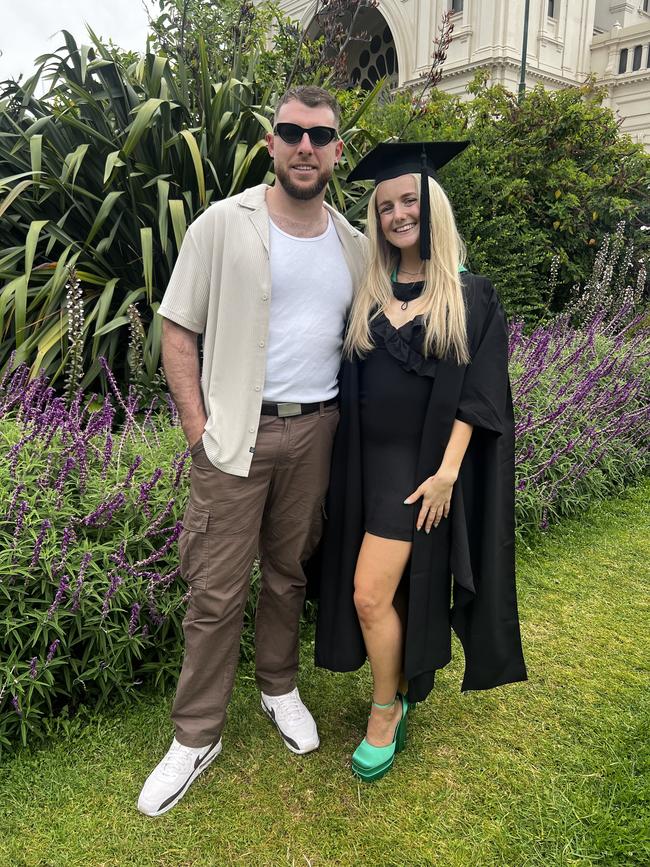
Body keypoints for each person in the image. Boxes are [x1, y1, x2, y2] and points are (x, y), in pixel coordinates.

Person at [137, 86, 367, 816]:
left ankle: (278, 686)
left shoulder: (355, 244)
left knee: (287, 572)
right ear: (271, 144)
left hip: (318, 431)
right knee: (213, 586)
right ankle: (196, 733)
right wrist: (198, 430)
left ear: (336, 150)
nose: (305, 145)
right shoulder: (221, 225)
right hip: (235, 435)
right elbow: (178, 329)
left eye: (319, 135)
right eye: (291, 132)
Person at [313, 141, 527, 782]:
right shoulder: (370, 291)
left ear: (433, 207)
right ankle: (397, 682)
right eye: (384, 207)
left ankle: (388, 708)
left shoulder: (469, 295)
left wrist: (448, 473)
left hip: (418, 475)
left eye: (409, 201)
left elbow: (480, 393)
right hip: (362, 468)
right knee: (374, 591)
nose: (398, 215)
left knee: (369, 594)